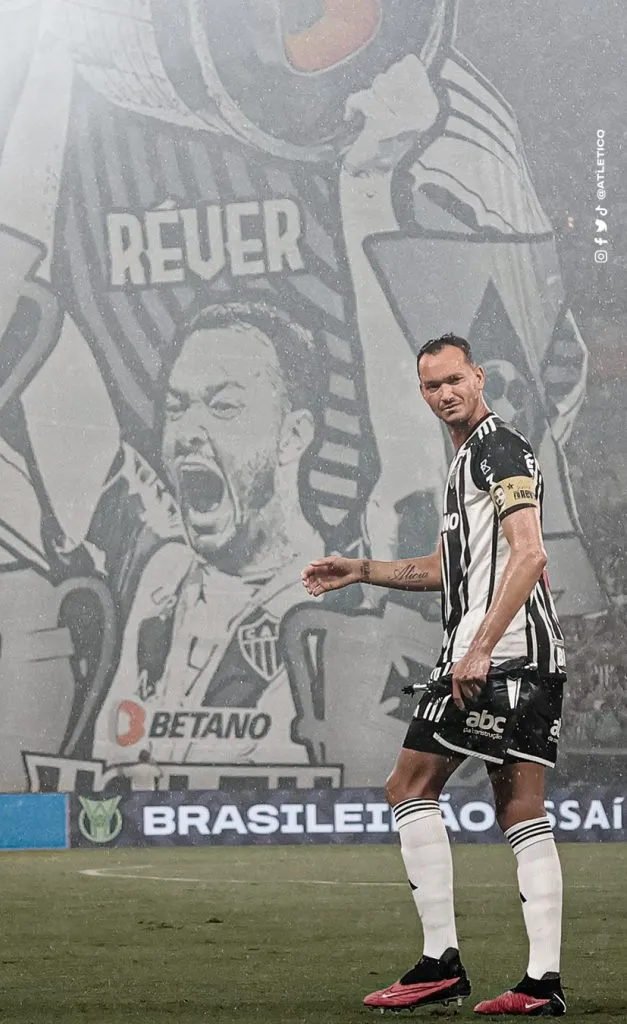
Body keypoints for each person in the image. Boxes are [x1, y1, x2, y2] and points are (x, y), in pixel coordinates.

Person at [302, 333, 567, 1017]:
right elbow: (442, 570)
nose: (444, 393)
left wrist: (476, 649)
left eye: (453, 379)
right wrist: (361, 569)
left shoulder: (498, 448)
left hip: (500, 657)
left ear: (478, 376)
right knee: (517, 808)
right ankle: (540, 983)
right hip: (525, 658)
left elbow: (529, 554)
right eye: (430, 386)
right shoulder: (462, 463)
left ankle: (439, 964)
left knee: (409, 783)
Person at [91, 301, 328, 786]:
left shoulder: (336, 608)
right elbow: (111, 755)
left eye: (224, 407)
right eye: (176, 408)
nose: (186, 433)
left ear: (292, 436)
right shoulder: (163, 574)